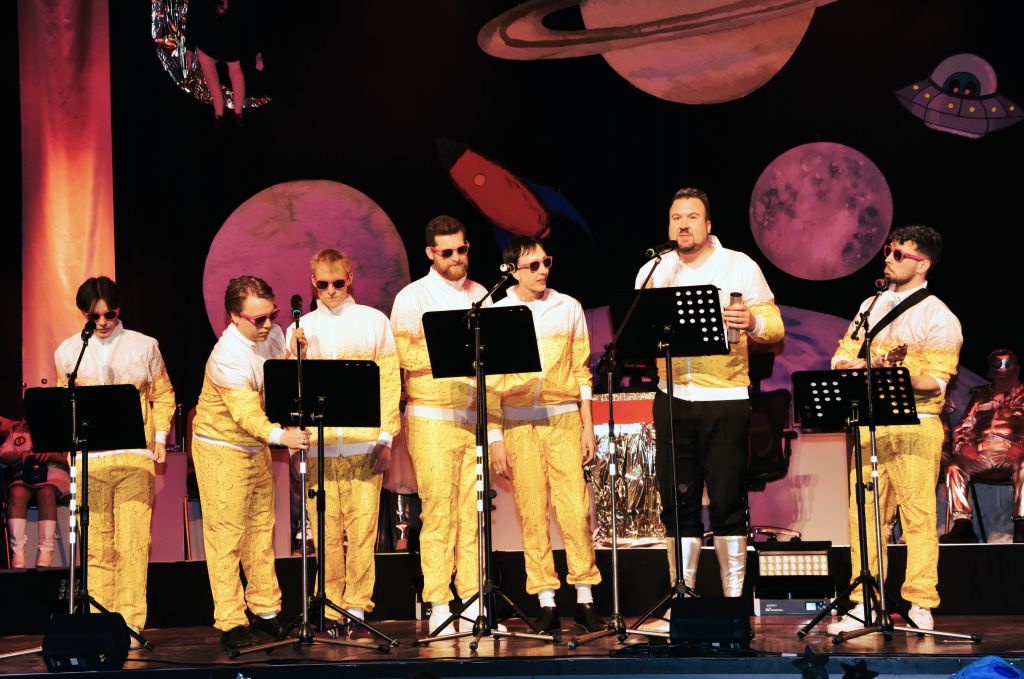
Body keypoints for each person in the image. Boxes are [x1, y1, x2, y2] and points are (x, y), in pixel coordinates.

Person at [634, 188, 784, 625]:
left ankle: (734, 604)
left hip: (726, 398)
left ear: (708, 225)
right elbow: (638, 329)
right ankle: (682, 601)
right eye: (676, 217)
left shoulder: (739, 265)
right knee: (677, 502)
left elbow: (774, 326)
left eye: (692, 217)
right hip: (672, 396)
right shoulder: (654, 269)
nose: (683, 224)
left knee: (727, 501)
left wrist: (752, 321)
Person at [828, 225, 962, 634]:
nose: (888, 258)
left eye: (899, 254)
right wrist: (860, 365)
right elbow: (840, 357)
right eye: (889, 250)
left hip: (916, 425)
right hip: (871, 424)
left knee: (918, 516)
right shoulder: (869, 305)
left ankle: (921, 602)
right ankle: (863, 602)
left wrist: (896, 374)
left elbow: (936, 382)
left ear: (923, 265)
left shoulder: (939, 316)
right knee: (864, 516)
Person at [486, 237, 604, 633]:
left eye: (545, 262)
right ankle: (546, 601)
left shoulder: (568, 307)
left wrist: (588, 426)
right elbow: (490, 384)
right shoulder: (497, 312)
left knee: (574, 510)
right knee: (531, 513)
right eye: (532, 265)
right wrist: (495, 437)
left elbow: (582, 371)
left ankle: (585, 597)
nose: (542, 271)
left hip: (563, 419)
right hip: (518, 423)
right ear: (512, 272)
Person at [286, 249, 401, 639]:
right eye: (323, 284)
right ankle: (330, 605)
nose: (331, 290)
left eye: (338, 282)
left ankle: (356, 608)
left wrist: (386, 437)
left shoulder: (373, 321)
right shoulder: (299, 329)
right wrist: (295, 354)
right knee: (325, 533)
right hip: (319, 449)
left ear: (350, 277)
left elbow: (389, 381)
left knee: (363, 531)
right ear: (312, 282)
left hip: (363, 445)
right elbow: (289, 394)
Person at [53, 276, 176, 641]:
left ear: (119, 310)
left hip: (133, 458)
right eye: (95, 316)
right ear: (84, 314)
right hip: (90, 460)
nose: (103, 322)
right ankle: (99, 621)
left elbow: (163, 394)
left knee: (133, 542)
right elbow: (64, 404)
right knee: (96, 545)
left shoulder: (144, 345)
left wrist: (160, 438)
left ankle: (129, 622)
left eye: (110, 314)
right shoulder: (68, 352)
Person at [192, 275, 309, 651]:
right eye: (258, 319)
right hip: (221, 448)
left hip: (255, 448)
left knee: (261, 530)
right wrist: (282, 438)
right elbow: (246, 414)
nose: (268, 325)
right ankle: (231, 619)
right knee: (226, 535)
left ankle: (266, 610)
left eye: (272, 315)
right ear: (233, 316)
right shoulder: (227, 356)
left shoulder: (271, 336)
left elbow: (278, 385)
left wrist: (295, 356)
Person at [390, 215, 492, 634]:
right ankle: (438, 602)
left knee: (472, 513)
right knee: (438, 511)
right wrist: (454, 352)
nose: (456, 258)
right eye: (447, 252)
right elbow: (403, 356)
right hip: (431, 416)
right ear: (431, 253)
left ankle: (471, 599)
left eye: (461, 250)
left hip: (472, 418)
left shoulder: (482, 294)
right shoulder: (412, 297)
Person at [941, 348, 1024, 544]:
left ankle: (1021, 523)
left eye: (1006, 368)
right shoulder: (980, 396)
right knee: (954, 467)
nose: (1001, 375)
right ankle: (963, 523)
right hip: (980, 452)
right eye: (997, 370)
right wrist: (963, 446)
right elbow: (962, 426)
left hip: (1015, 452)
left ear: (1016, 369)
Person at [2, 416, 68, 568]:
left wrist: (50, 455)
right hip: (25, 475)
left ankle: (46, 551)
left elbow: (65, 457)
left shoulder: (55, 428)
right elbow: (3, 456)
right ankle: (17, 553)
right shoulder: (17, 430)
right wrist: (21, 455)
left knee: (46, 493)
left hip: (52, 473)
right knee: (16, 493)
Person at [186, 0, 264, 127]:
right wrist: (189, 48)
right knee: (211, 78)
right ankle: (219, 112)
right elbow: (193, 15)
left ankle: (238, 112)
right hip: (205, 47)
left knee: (237, 76)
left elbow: (250, 22)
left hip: (231, 49)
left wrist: (257, 53)